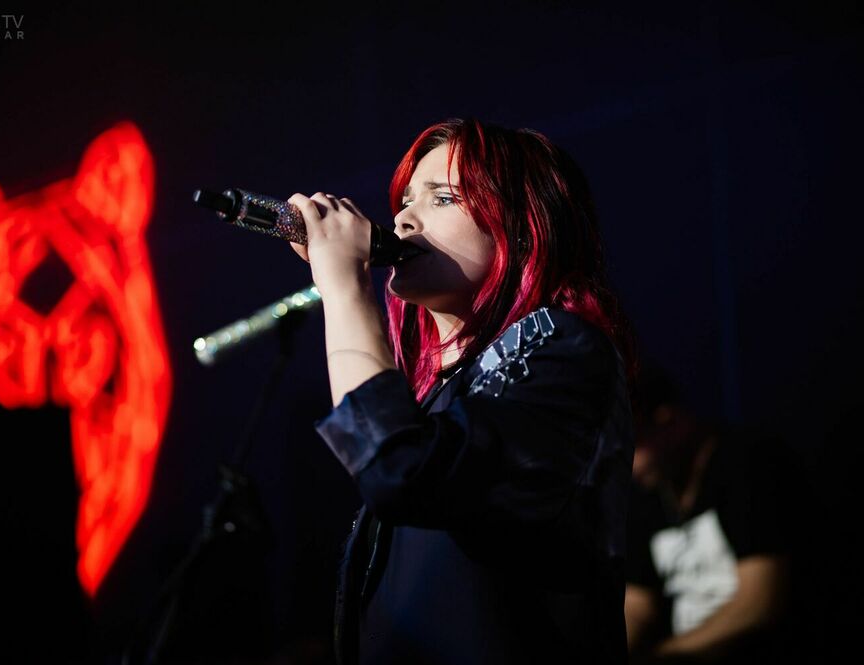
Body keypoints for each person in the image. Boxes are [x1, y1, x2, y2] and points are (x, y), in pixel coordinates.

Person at [287, 118, 634, 664]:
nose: (403, 218)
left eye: (443, 198)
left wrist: (344, 287)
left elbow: (393, 465)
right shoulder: (436, 399)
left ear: (522, 227)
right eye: (405, 200)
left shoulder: (563, 348)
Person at [624, 364, 797, 664]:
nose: (629, 466)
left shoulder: (748, 464)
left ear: (669, 421)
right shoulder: (649, 491)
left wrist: (665, 655)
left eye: (634, 446)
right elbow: (637, 604)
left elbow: (761, 600)